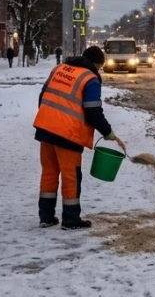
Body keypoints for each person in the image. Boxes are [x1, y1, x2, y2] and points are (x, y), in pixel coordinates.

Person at [32, 46, 124, 229]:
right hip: (68, 133)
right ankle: (71, 219)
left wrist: (50, 119)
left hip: (45, 127)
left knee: (49, 172)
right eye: (100, 67)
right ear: (97, 64)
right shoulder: (90, 79)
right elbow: (93, 111)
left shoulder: (58, 69)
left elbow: (43, 96)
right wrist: (107, 132)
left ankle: (46, 217)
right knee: (71, 176)